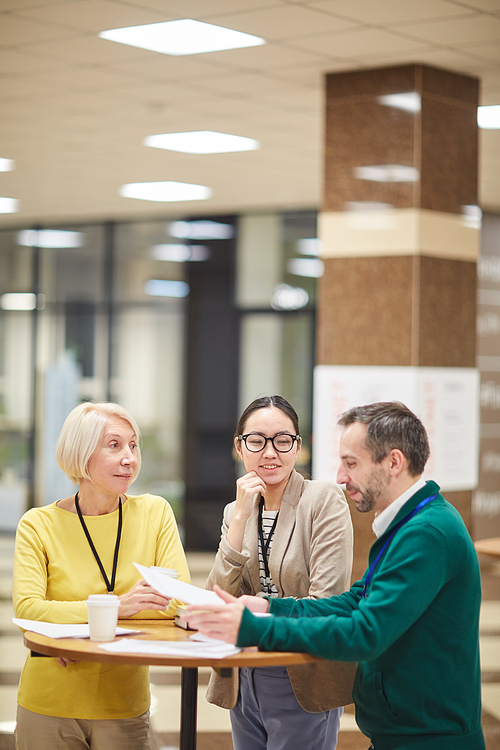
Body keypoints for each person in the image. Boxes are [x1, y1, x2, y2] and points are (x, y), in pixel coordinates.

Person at [185, 401, 486, 750]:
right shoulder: (407, 526)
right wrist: (269, 608)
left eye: (351, 463)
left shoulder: (427, 532)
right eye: (343, 462)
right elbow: (356, 599)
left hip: (429, 737)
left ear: (393, 462)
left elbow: (365, 632)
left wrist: (254, 626)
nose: (341, 476)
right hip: (402, 731)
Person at [13, 401, 190, 750]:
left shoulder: (155, 514)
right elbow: (29, 611)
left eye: (133, 445)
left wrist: (70, 627)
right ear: (81, 453)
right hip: (50, 700)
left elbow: (178, 602)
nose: (130, 458)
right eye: (114, 445)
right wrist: (119, 606)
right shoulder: (38, 524)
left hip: (124, 702)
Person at [205, 395, 356, 750]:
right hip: (243, 673)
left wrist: (255, 608)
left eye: (282, 441)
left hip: (301, 668)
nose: (270, 452)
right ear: (239, 448)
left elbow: (327, 602)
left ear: (298, 447)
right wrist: (240, 518)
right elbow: (217, 596)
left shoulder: (322, 500)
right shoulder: (235, 511)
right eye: (256, 441)